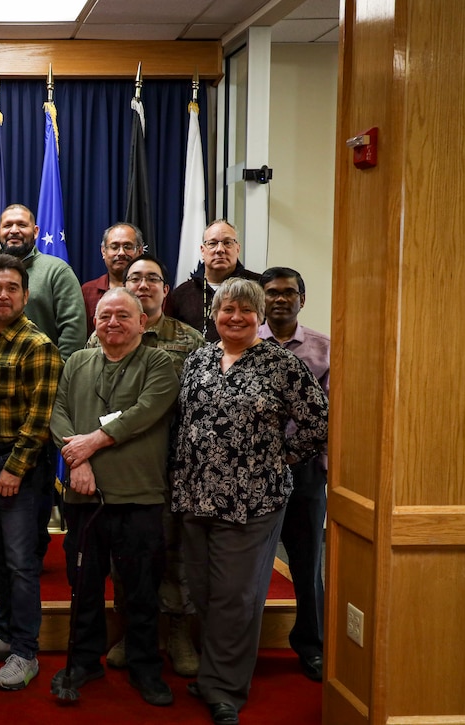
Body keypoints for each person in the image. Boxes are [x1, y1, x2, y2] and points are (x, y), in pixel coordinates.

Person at [171, 278, 328, 725]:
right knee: (202, 591)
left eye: (245, 309)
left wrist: (284, 456)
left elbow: (320, 422)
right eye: (226, 309)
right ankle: (213, 671)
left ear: (259, 317)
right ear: (214, 314)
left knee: (236, 597)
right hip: (195, 496)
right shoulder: (198, 360)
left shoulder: (282, 364)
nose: (235, 316)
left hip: (252, 501)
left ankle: (224, 689)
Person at [50, 288, 180, 706]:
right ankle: (84, 661)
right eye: (104, 315)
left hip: (138, 497)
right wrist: (79, 462)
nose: (112, 323)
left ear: (143, 322)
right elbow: (58, 414)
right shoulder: (77, 362)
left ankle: (145, 668)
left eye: (123, 315)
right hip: (83, 498)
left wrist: (91, 443)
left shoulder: (160, 363)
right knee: (83, 585)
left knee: (141, 590)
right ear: (94, 322)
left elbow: (146, 411)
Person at [98, 254, 205, 676]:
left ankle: (177, 632)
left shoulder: (190, 340)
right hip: (124, 466)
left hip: (176, 468)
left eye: (152, 279)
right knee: (125, 555)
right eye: (134, 278)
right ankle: (130, 630)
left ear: (165, 289)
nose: (143, 285)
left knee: (175, 552)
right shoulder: (104, 333)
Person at [0, 254, 63, 691]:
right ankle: (2, 633)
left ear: (25, 294)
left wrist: (15, 468)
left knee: (23, 564)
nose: (2, 295)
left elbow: (40, 419)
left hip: (17, 468)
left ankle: (25, 649)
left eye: (11, 288)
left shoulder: (38, 345)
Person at [259, 267, 331, 682]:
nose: (281, 299)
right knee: (251, 566)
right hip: (255, 474)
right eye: (272, 293)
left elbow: (331, 415)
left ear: (302, 299)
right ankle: (241, 647)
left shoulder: (325, 348)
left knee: (306, 566)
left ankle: (312, 646)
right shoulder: (244, 345)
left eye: (289, 293)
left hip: (304, 475)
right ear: (262, 299)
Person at [0, 203, 86, 361]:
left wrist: (60, 373)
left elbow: (73, 329)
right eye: (8, 225)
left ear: (35, 232)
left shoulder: (58, 271)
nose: (14, 230)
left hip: (39, 374)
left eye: (22, 225)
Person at [166, 219, 261, 342]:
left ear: (237, 249)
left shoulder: (258, 286)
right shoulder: (182, 294)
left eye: (227, 243)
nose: (220, 249)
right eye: (212, 243)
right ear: (202, 250)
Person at [80, 223, 143, 336]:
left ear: (140, 251)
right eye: (114, 247)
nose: (121, 253)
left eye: (128, 247)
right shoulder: (88, 291)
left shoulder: (149, 290)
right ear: (103, 251)